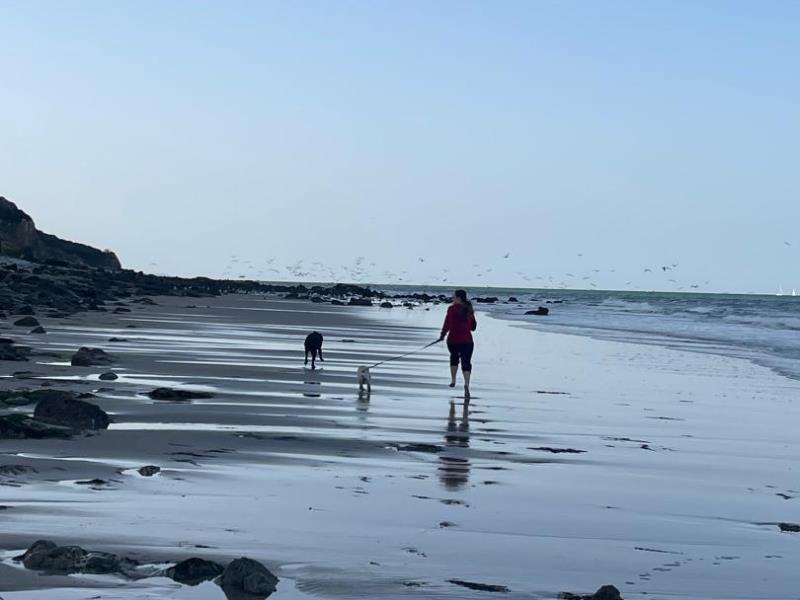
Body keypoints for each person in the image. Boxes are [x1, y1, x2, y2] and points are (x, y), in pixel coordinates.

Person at [438, 289, 477, 400]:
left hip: (453, 340)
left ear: (458, 298)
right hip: (467, 341)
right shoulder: (469, 309)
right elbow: (473, 327)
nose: (452, 298)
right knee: (466, 362)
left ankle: (453, 380)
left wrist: (442, 335)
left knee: (454, 358)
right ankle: (467, 384)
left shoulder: (451, 309)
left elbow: (447, 323)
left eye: (453, 296)